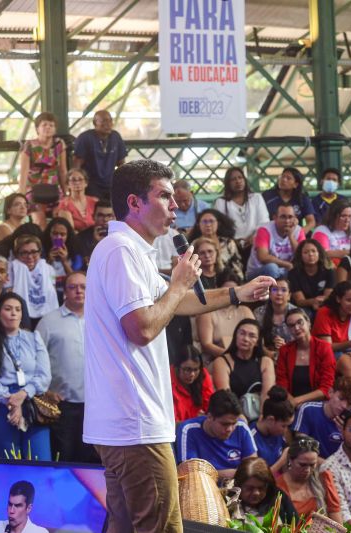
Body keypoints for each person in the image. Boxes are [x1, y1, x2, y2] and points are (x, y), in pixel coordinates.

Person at [83, 160, 277, 533]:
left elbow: (179, 304)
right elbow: (142, 328)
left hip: (126, 424)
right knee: (162, 527)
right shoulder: (121, 251)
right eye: (165, 195)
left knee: (126, 525)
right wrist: (178, 283)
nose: (176, 205)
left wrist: (237, 293)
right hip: (136, 423)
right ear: (134, 202)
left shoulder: (131, 251)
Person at [35, 272, 97, 462]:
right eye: (73, 287)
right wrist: (45, 391)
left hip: (96, 404)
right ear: (64, 291)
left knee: (93, 458)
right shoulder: (48, 321)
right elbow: (34, 360)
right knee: (64, 457)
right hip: (62, 404)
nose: (79, 291)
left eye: (83, 286)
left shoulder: (101, 318)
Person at [0, 293, 51, 461]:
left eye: (18, 310)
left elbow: (44, 375)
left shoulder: (33, 338)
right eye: (8, 309)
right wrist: (10, 400)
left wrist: (23, 395)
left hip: (32, 402)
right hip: (1, 405)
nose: (13, 313)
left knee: (40, 459)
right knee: (9, 460)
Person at [175, 389, 257, 480]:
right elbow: (189, 473)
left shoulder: (241, 427)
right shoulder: (188, 430)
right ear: (210, 417)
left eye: (234, 423)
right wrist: (234, 474)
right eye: (224, 424)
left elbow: (253, 468)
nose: (230, 429)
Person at [211, 319, 274, 416]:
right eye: (242, 333)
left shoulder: (266, 362)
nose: (245, 339)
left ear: (257, 342)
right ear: (235, 336)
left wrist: (262, 417)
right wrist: (240, 418)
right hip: (232, 415)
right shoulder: (222, 362)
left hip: (260, 412)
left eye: (252, 336)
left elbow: (266, 395)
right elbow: (226, 396)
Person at [276, 308, 335, 408]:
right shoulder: (284, 351)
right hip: (290, 404)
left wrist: (296, 402)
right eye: (291, 326)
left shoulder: (324, 347)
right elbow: (282, 384)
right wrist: (291, 403)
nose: (297, 328)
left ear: (308, 322)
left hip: (318, 405)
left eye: (300, 322)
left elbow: (326, 388)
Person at [276, 436, 343, 523]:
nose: (307, 470)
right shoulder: (278, 486)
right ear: (290, 460)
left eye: (312, 465)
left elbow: (336, 520)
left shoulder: (323, 478)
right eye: (302, 465)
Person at [291, 376, 351, 458]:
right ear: (331, 392)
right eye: (341, 399)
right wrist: (327, 466)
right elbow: (301, 446)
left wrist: (346, 435)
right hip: (311, 465)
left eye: (350, 404)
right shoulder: (308, 410)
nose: (344, 406)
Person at [19, 112, 67, 228]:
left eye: (51, 125)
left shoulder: (59, 144)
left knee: (62, 218)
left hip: (54, 189)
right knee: (40, 221)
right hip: (34, 190)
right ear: (37, 128)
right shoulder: (29, 145)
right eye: (44, 125)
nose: (48, 128)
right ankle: (41, 245)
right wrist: (21, 196)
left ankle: (59, 245)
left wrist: (66, 193)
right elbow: (24, 173)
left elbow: (62, 170)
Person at [72, 109, 127, 199]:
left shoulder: (115, 137)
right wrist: (78, 187)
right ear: (95, 123)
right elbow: (76, 166)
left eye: (110, 120)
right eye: (104, 121)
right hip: (90, 184)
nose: (108, 124)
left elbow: (122, 164)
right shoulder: (85, 138)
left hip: (110, 183)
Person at [7, 234, 59, 326]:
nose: (30, 256)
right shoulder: (11, 268)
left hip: (46, 316)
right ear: (16, 254)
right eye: (24, 253)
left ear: (40, 252)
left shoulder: (49, 269)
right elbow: (8, 292)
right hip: (19, 316)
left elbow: (53, 293)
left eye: (34, 252)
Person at [245, 203, 305, 280]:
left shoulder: (298, 231)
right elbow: (263, 257)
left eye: (290, 217)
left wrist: (290, 236)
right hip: (258, 271)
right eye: (283, 217)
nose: (287, 221)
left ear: (295, 218)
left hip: (285, 270)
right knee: (272, 268)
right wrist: (287, 265)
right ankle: (272, 292)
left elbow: (302, 256)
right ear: (275, 218)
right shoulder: (264, 230)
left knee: (299, 270)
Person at [213, 166, 271, 246]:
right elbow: (220, 227)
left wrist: (253, 237)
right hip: (231, 245)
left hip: (256, 242)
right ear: (227, 183)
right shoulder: (221, 202)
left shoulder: (256, 197)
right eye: (233, 179)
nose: (238, 181)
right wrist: (234, 242)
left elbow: (264, 221)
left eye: (240, 177)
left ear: (245, 180)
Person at [187, 208, 245, 283]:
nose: (208, 225)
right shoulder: (194, 244)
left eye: (211, 221)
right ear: (199, 224)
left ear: (218, 223)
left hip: (228, 279)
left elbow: (237, 265)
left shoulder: (228, 243)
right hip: (202, 280)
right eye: (204, 221)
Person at [234, 457, 297, 523]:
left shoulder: (278, 498)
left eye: (261, 488)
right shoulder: (227, 504)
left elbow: (296, 526)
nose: (256, 493)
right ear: (238, 485)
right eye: (250, 488)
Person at [313, 280, 351, 354]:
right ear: (338, 299)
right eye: (349, 300)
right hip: (327, 354)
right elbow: (327, 347)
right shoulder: (324, 312)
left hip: (350, 351)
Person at [250, 385, 294, 471]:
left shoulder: (277, 433)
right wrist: (282, 460)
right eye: (284, 426)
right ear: (271, 420)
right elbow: (258, 478)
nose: (286, 430)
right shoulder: (250, 438)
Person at [288, 239, 335, 316]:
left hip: (324, 304)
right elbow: (300, 301)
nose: (310, 254)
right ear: (300, 255)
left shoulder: (328, 270)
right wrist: (313, 301)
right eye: (306, 252)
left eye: (313, 251)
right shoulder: (294, 273)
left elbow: (328, 296)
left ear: (319, 253)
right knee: (306, 313)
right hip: (303, 307)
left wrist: (319, 301)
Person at [170, 346, 214, 424]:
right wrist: (196, 421)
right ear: (177, 367)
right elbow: (171, 423)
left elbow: (211, 407)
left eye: (195, 369)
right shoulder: (167, 381)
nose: (192, 374)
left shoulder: (202, 375)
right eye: (187, 369)